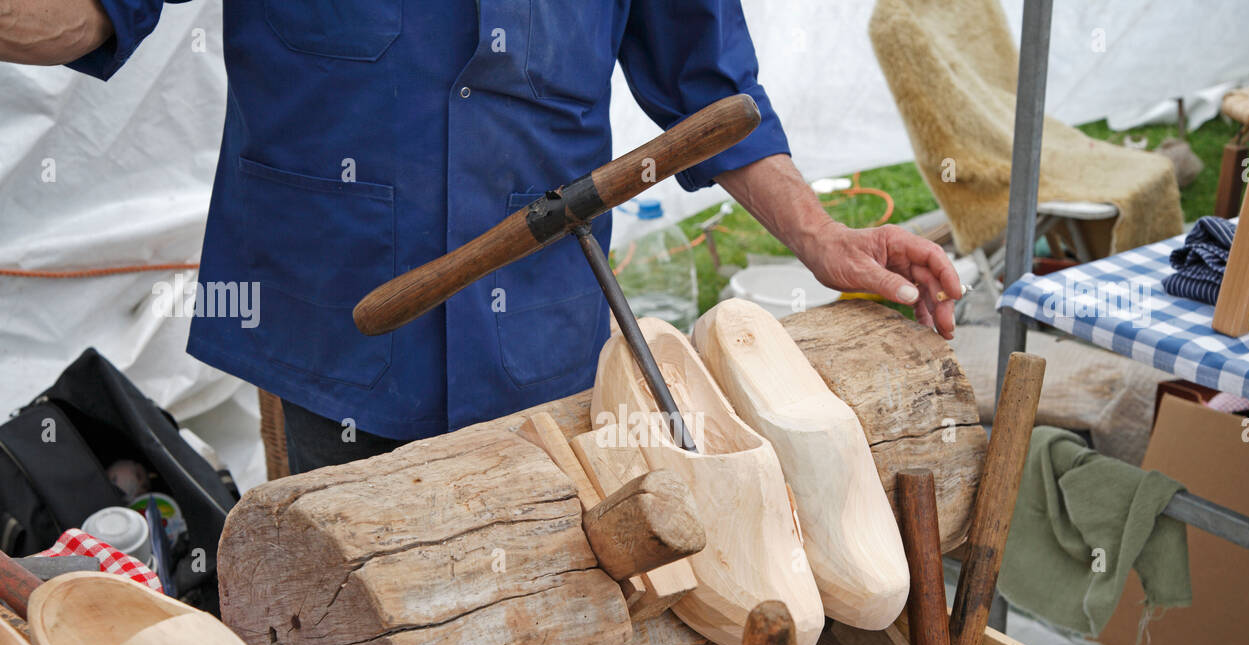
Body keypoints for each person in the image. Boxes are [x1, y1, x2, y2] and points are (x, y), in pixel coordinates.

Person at [2, 1, 961, 473]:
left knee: (521, 629)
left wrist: (820, 235)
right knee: (347, 633)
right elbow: (90, 11)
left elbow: (707, 82)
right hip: (336, 321)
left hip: (542, 333)